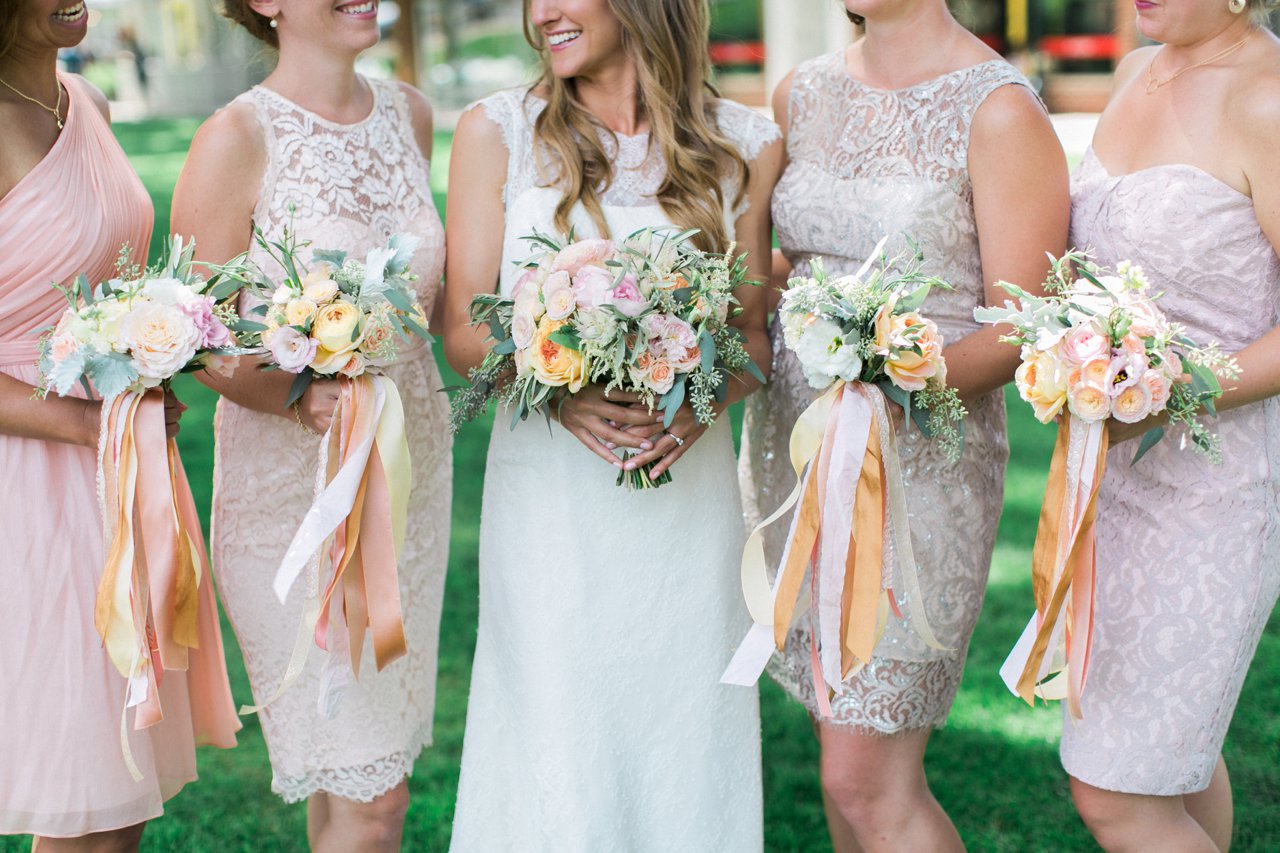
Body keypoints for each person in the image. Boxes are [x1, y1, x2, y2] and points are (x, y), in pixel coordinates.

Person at [440, 0, 782, 848]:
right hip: (549, 497)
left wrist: (701, 408)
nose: (541, 13)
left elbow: (750, 338)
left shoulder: (746, 143)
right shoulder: (497, 133)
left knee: (683, 731)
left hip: (684, 499)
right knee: (555, 731)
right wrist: (557, 386)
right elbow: (460, 327)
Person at [738, 0, 1069, 849]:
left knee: (868, 778)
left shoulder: (998, 109)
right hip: (795, 451)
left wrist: (884, 380)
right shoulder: (800, 94)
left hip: (918, 467)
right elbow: (795, 259)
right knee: (838, 758)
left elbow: (1026, 319)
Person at [169, 0, 451, 847]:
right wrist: (298, 392)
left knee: (361, 783)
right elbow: (197, 336)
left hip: (410, 473)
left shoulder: (411, 112)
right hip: (290, 497)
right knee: (375, 798)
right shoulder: (236, 136)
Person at [0, 0, 238, 847]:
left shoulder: (86, 103)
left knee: (119, 797)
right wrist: (78, 423)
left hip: (120, 464)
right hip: (31, 475)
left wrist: (150, 351)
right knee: (80, 793)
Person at [1064, 1, 1280, 849]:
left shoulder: (1268, 97)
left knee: (1117, 794)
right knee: (1178, 764)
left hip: (1217, 493)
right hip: (1113, 482)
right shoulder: (1134, 71)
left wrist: (1164, 388)